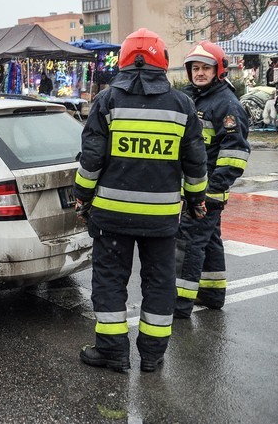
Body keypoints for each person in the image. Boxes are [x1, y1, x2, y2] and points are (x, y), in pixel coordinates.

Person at [73, 28, 208, 373]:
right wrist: (196, 201)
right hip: (161, 220)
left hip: (112, 217)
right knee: (160, 284)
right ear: (162, 62)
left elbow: (91, 159)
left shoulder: (106, 102)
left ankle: (113, 352)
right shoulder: (182, 106)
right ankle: (152, 356)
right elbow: (195, 162)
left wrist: (82, 198)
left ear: (123, 61)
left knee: (109, 282)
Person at [174, 41, 251, 319]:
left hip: (206, 192)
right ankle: (212, 293)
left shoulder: (226, 104)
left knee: (189, 242)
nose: (200, 73)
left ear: (218, 70)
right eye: (195, 68)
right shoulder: (193, 98)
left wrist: (210, 191)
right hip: (195, 189)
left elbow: (235, 154)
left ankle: (179, 303)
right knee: (209, 240)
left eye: (206, 68)